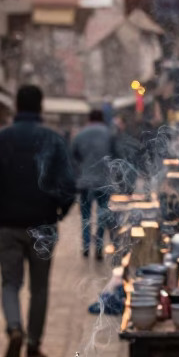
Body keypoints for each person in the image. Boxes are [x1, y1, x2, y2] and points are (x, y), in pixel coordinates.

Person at [0, 84, 76, 357]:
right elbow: (69, 185)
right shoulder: (53, 139)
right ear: (41, 106)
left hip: (8, 224)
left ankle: (13, 327)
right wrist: (58, 211)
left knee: (10, 283)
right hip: (43, 224)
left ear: (16, 106)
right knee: (39, 288)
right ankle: (33, 346)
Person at [71, 109, 117, 261]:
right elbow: (115, 155)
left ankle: (85, 246)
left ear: (88, 119)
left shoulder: (81, 134)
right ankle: (98, 247)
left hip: (85, 181)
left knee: (85, 216)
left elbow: (73, 155)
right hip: (104, 181)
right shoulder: (108, 134)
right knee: (102, 214)